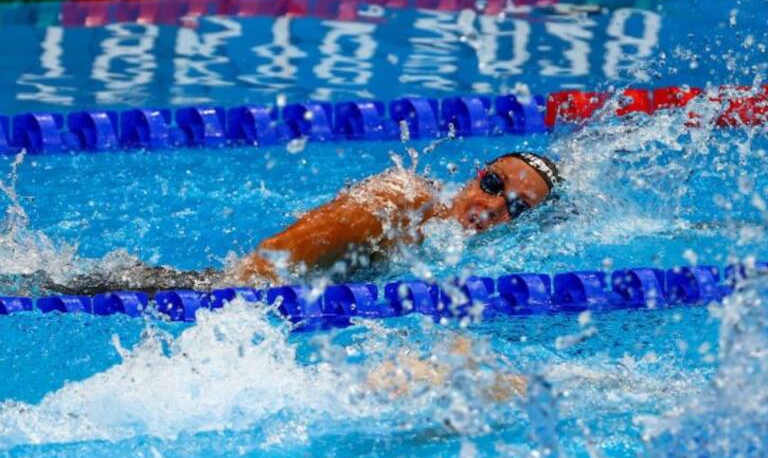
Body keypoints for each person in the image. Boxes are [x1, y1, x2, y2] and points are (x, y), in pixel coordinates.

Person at [49, 152, 560, 295]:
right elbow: (268, 260)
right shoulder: (395, 202)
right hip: (217, 292)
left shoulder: (453, 236)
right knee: (63, 289)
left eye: (515, 208)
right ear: (478, 174)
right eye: (495, 186)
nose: (496, 208)